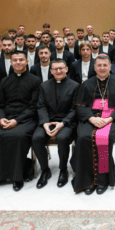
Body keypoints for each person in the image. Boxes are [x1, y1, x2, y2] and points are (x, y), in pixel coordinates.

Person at [0, 50, 41, 192]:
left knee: (16, 136)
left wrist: (16, 121)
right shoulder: (5, 81)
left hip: (26, 118)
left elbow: (33, 107)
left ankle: (17, 177)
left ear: (27, 61)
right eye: (15, 60)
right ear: (11, 62)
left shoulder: (35, 81)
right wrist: (1, 118)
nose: (18, 63)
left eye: (21, 60)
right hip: (5, 117)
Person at [71, 55, 115, 195]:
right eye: (99, 65)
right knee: (84, 137)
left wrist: (109, 119)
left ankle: (102, 179)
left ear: (110, 67)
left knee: (104, 140)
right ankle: (87, 179)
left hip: (111, 120)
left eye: (105, 65)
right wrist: (91, 118)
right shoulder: (86, 84)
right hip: (91, 118)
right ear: (94, 67)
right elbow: (79, 106)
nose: (102, 68)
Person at [32, 59, 78, 189]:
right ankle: (45, 170)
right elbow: (40, 106)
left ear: (66, 69)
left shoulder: (75, 86)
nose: (58, 71)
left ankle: (63, 169)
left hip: (66, 122)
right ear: (51, 71)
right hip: (48, 120)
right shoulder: (44, 85)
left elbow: (75, 109)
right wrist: (45, 123)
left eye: (61, 68)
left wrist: (62, 123)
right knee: (36, 138)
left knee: (62, 138)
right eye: (55, 69)